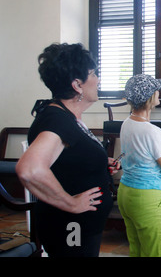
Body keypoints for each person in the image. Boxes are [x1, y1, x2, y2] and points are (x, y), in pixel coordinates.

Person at [15, 43, 119, 256]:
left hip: (82, 227)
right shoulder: (58, 120)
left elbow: (67, 159)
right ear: (77, 85)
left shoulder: (65, 115)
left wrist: (98, 165)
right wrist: (71, 203)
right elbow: (29, 169)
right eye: (93, 74)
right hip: (72, 227)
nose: (98, 79)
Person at [118, 74, 161, 257]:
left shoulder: (126, 124)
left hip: (126, 193)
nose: (158, 93)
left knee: (137, 251)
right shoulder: (152, 132)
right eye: (156, 90)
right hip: (148, 198)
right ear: (150, 97)